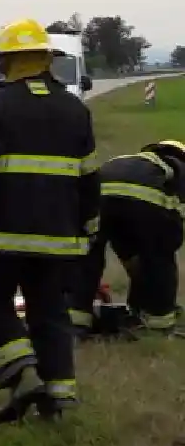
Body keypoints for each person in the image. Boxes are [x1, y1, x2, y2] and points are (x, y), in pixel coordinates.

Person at [0, 18, 99, 424]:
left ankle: (21, 372)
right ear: (47, 60)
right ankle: (60, 400)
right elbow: (88, 178)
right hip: (59, 241)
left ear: (7, 63)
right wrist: (88, 229)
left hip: (0, 239)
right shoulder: (75, 109)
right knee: (50, 313)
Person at [70, 140, 185, 337]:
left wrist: (133, 260)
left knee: (88, 260)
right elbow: (173, 225)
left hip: (99, 200)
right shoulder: (178, 166)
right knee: (159, 258)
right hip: (143, 203)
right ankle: (158, 324)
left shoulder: (126, 160)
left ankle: (76, 322)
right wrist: (164, 247)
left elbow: (121, 230)